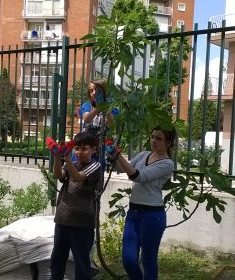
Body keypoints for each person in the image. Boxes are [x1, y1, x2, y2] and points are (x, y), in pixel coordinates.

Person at [106, 125, 176, 280]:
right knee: (128, 259)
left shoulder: (167, 164)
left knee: (148, 260)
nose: (154, 141)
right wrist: (112, 155)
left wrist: (118, 154)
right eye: (152, 137)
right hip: (133, 213)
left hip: (152, 216)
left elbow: (138, 176)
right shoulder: (144, 154)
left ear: (169, 143)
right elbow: (121, 167)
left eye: (159, 138)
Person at [46, 131, 101, 280]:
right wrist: (58, 157)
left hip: (82, 225)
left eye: (84, 148)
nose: (79, 152)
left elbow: (77, 178)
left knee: (82, 266)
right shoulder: (73, 164)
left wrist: (67, 157)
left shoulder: (95, 166)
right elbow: (58, 175)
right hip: (63, 221)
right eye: (77, 148)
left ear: (94, 149)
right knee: (57, 262)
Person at [78, 79, 119, 168]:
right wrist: (99, 107)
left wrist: (107, 108)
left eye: (97, 90)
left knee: (97, 177)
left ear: (104, 91)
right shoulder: (87, 106)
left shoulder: (112, 109)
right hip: (84, 150)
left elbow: (111, 125)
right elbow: (87, 119)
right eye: (91, 90)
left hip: (100, 152)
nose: (94, 93)